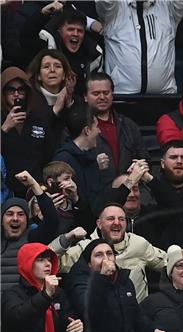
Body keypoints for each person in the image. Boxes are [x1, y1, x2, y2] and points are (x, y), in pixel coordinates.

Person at [65, 238, 167, 332]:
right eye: (99, 255)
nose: (106, 259)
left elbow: (136, 314)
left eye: (109, 254)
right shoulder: (80, 280)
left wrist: (153, 330)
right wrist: (102, 277)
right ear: (89, 263)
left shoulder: (124, 281)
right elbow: (89, 309)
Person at [1, 242, 84, 332]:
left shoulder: (60, 294)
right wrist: (45, 295)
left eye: (49, 260)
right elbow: (17, 317)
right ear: (27, 264)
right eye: (40, 260)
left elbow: (70, 320)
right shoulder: (12, 294)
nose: (47, 264)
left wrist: (78, 325)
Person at [55, 203, 166, 303]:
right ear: (99, 224)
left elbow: (168, 263)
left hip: (137, 315)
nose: (117, 223)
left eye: (121, 219)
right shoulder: (85, 248)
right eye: (111, 219)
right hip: (102, 316)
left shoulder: (138, 244)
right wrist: (66, 238)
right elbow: (50, 261)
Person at [1, 53, 74, 190]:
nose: (16, 94)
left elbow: (50, 153)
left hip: (35, 188)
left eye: (21, 90)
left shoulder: (37, 118)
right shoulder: (2, 121)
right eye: (11, 90)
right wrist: (4, 129)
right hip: (5, 191)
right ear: (3, 92)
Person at [95, 0, 183, 94]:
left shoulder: (168, 8)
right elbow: (104, 2)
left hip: (163, 96)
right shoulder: (113, 10)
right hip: (122, 96)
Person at [83, 73, 149, 188]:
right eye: (96, 93)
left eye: (106, 93)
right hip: (95, 193)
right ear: (85, 96)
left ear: (112, 95)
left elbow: (144, 158)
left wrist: (139, 167)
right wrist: (93, 164)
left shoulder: (129, 125)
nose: (102, 97)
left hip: (128, 191)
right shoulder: (78, 126)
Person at [20, 5, 103, 94]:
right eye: (70, 29)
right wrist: (43, 14)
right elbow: (26, 37)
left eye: (80, 31)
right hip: (44, 101)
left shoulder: (94, 54)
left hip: (77, 104)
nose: (75, 34)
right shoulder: (47, 43)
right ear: (59, 31)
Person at [1, 172, 60, 288]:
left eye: (21, 214)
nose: (15, 218)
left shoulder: (33, 238)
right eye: (9, 214)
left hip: (23, 302)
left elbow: (52, 220)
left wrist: (33, 184)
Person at [53, 105, 107, 214]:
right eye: (96, 127)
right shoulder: (63, 160)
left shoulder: (91, 158)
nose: (99, 131)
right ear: (87, 130)